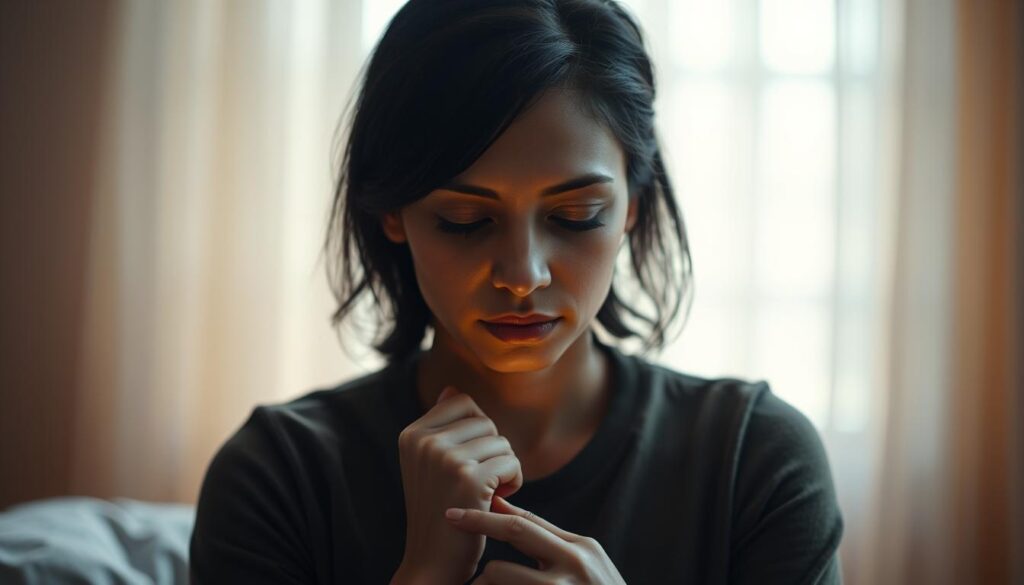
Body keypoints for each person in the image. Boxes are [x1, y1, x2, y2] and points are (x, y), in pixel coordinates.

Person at [189, 0, 845, 583]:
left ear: (633, 206)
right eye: (465, 220)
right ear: (393, 211)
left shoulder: (752, 461)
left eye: (575, 215)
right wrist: (424, 575)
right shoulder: (279, 476)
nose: (523, 274)